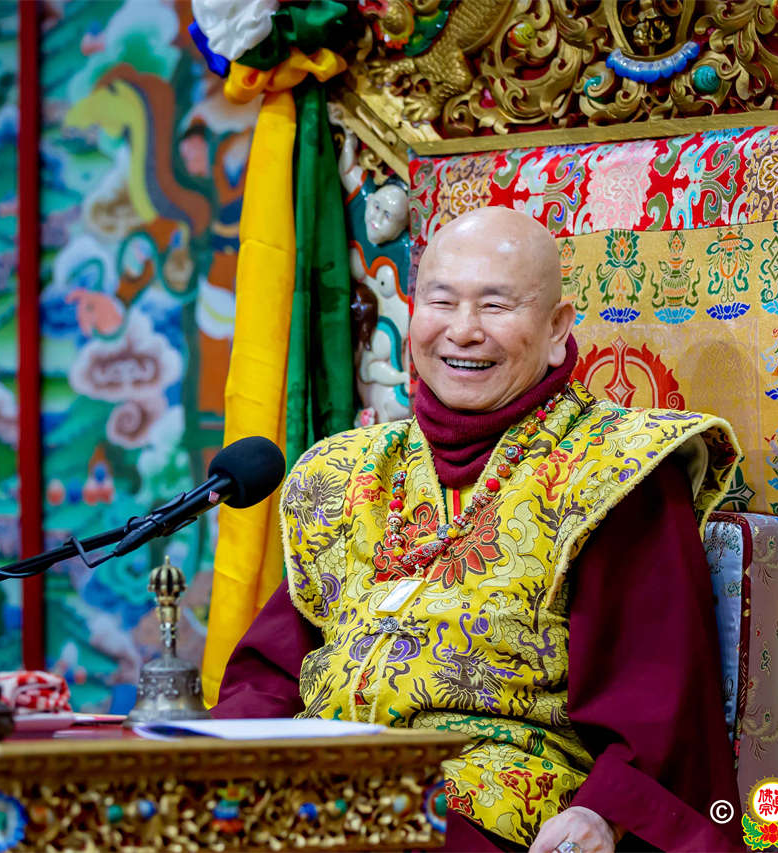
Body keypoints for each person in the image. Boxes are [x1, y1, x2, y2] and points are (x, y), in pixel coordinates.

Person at [213, 206, 742, 852]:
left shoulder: (612, 470)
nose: (463, 332)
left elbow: (657, 697)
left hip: (486, 805)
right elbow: (269, 676)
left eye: (495, 306)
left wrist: (603, 812)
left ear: (556, 329)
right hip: (322, 785)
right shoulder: (349, 471)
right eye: (442, 302)